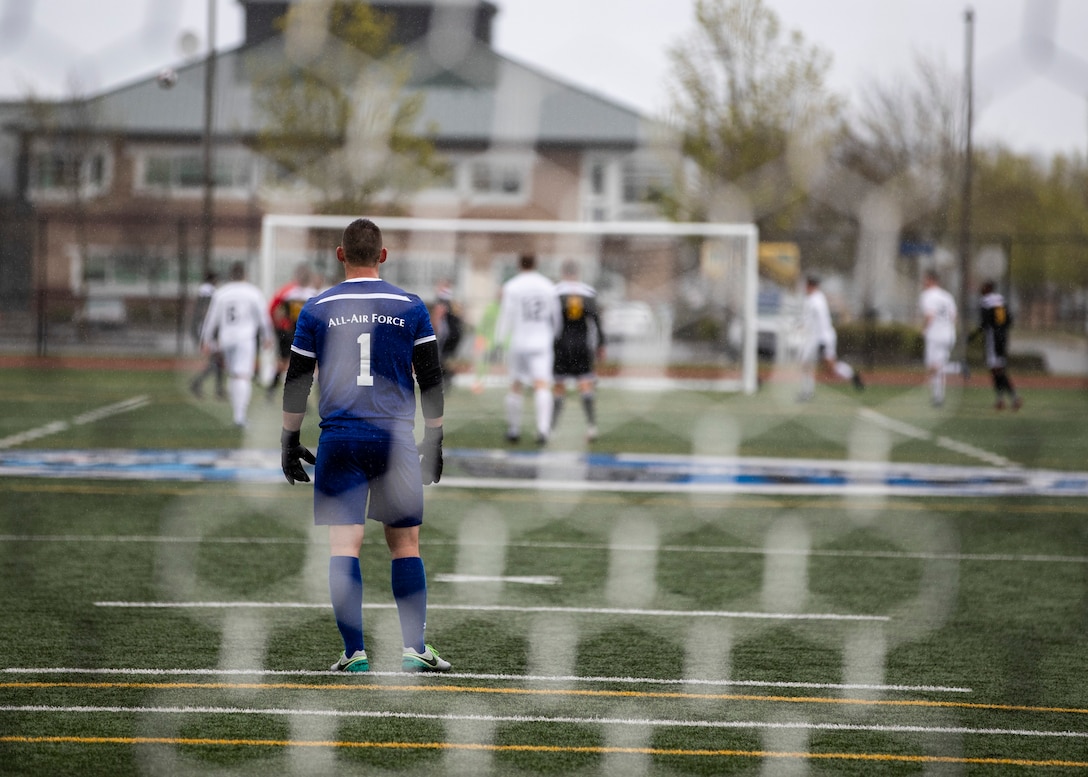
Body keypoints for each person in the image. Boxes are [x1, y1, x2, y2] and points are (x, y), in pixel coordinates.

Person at [279, 217, 450, 674]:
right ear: (384, 255)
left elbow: (297, 381)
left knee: (344, 547)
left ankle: (355, 654)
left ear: (340, 255)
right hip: (394, 439)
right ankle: (414, 648)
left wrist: (289, 438)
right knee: (405, 544)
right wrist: (434, 437)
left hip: (340, 437)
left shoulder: (316, 307)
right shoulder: (411, 307)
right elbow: (431, 378)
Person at [495, 254, 562, 445]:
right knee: (542, 385)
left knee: (516, 385)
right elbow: (555, 316)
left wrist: (500, 340)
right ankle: (543, 430)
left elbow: (505, 315)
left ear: (519, 264)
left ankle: (514, 430)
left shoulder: (512, 286)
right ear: (536, 264)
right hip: (541, 341)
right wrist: (555, 336)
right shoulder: (548, 286)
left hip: (519, 341)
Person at [199, 262, 275, 427]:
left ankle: (237, 414)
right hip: (244, 340)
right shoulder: (253, 292)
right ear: (245, 275)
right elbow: (263, 317)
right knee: (243, 376)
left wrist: (206, 340)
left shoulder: (222, 293)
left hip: (226, 339)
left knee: (234, 375)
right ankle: (239, 417)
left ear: (231, 275)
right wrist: (267, 336)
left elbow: (211, 318)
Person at [552, 260, 606, 441]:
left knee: (559, 386)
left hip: (561, 344)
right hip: (582, 344)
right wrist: (601, 345)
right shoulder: (588, 292)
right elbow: (597, 322)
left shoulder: (555, 292)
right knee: (585, 385)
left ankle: (552, 429)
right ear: (577, 273)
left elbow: (551, 322)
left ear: (563, 273)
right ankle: (591, 427)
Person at [796, 275, 863, 401]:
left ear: (810, 286)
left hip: (822, 337)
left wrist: (823, 341)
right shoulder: (815, 298)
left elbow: (822, 322)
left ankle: (852, 376)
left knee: (829, 368)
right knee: (807, 363)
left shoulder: (816, 301)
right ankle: (807, 392)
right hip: (817, 338)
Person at [267, 264, 319, 400]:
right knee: (302, 365)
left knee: (286, 364)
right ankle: (302, 396)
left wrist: (279, 326)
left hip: (291, 332)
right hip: (303, 334)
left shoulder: (290, 293)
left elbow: (276, 310)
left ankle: (272, 391)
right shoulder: (312, 295)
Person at [974, 280, 1022, 411]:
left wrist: (973, 336)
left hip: (992, 339)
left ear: (987, 288)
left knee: (997, 370)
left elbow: (984, 323)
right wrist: (1002, 331)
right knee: (999, 369)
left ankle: (1012, 397)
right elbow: (1010, 320)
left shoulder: (985, 301)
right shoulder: (1001, 300)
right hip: (1003, 338)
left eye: (983, 287)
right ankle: (1002, 399)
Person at [919, 269, 958, 407]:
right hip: (948, 335)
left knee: (933, 367)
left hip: (935, 336)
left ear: (931, 280)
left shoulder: (928, 295)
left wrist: (923, 330)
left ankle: (958, 368)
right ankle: (938, 397)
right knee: (938, 367)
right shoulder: (947, 296)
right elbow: (954, 317)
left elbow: (930, 316)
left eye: (925, 279)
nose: (924, 282)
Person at [190, 271, 225, 400]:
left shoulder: (205, 291)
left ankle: (218, 389)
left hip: (205, 330)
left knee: (218, 360)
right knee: (216, 361)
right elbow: (204, 311)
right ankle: (198, 383)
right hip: (207, 331)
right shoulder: (207, 291)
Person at [430, 279, 464, 391]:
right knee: (447, 358)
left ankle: (444, 379)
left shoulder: (441, 300)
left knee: (439, 357)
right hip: (456, 333)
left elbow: (438, 316)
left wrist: (432, 330)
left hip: (446, 333)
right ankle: (447, 378)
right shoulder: (452, 301)